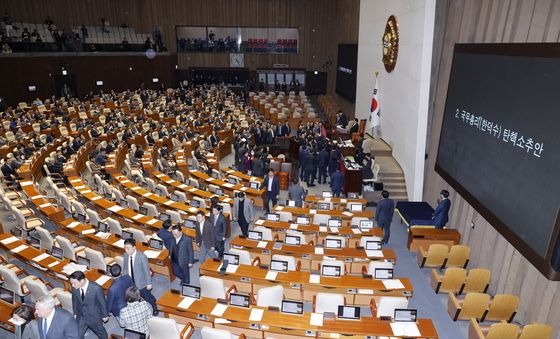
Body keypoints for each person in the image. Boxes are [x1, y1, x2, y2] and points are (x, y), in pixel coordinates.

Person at [122, 238, 159, 315]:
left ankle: (155, 305)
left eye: (128, 248)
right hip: (130, 281)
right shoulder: (125, 255)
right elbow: (125, 267)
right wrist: (124, 278)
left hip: (141, 282)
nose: (126, 250)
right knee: (133, 297)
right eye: (125, 248)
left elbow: (146, 270)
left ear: (134, 247)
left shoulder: (142, 256)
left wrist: (149, 283)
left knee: (147, 296)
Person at [69, 271, 109, 339]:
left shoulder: (96, 288)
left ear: (82, 281)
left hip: (93, 316)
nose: (72, 285)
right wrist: (75, 313)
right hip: (81, 316)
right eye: (71, 283)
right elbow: (74, 301)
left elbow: (102, 302)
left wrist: (105, 315)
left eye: (74, 283)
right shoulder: (75, 287)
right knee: (78, 335)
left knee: (101, 333)